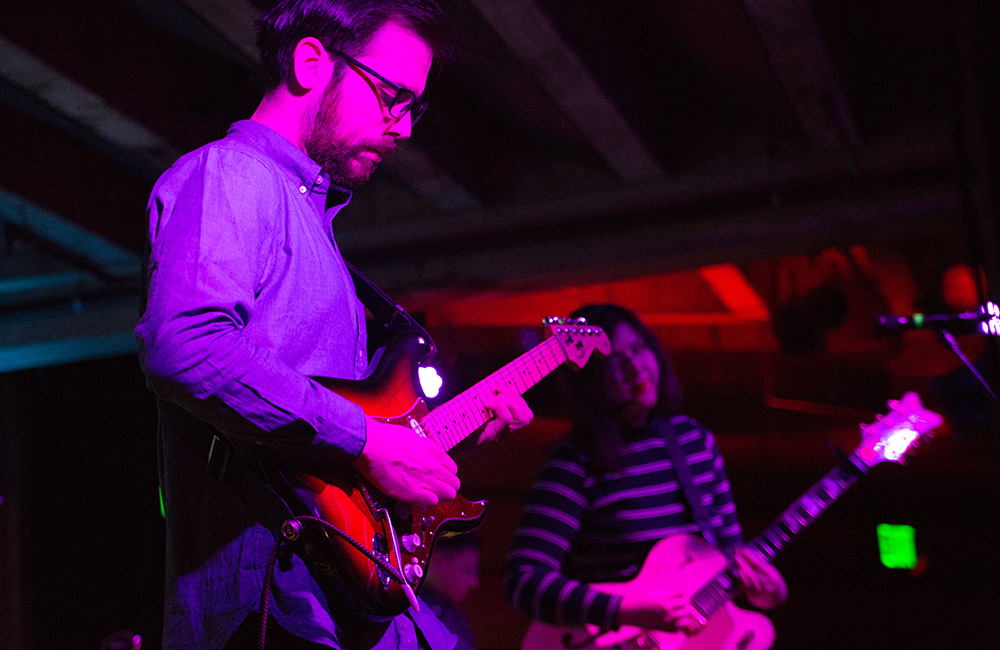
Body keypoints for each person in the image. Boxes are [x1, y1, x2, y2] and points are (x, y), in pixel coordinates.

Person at [134, 1, 533, 649]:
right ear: (311, 60)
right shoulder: (233, 177)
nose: (402, 127)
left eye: (414, 108)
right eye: (392, 96)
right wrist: (372, 443)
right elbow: (186, 346)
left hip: (343, 604)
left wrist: (422, 449)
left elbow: (330, 451)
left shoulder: (317, 234)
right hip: (271, 607)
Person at [504, 303, 786, 641]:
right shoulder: (575, 460)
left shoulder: (695, 441)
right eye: (614, 361)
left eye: (639, 349)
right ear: (590, 380)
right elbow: (524, 579)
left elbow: (727, 558)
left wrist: (764, 589)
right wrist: (624, 609)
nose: (636, 368)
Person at [419, 534, 482, 650]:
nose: (474, 582)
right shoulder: (411, 610)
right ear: (438, 561)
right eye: (468, 570)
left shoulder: (456, 617)